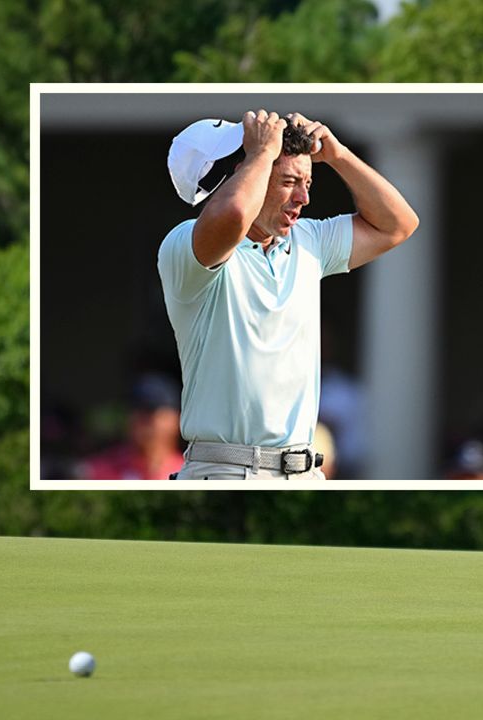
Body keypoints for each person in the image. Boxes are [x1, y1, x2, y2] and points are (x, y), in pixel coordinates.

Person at [158, 109, 418, 479]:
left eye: (308, 182)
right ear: (244, 174)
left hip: (305, 472)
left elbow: (399, 224)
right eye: (289, 182)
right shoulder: (184, 245)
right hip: (223, 472)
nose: (304, 198)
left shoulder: (308, 241)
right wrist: (262, 153)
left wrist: (339, 156)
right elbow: (232, 215)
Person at [78, 374, 185, 480]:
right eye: (136, 412)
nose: (142, 423)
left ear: (176, 419)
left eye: (151, 414)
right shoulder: (97, 471)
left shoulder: (189, 473)